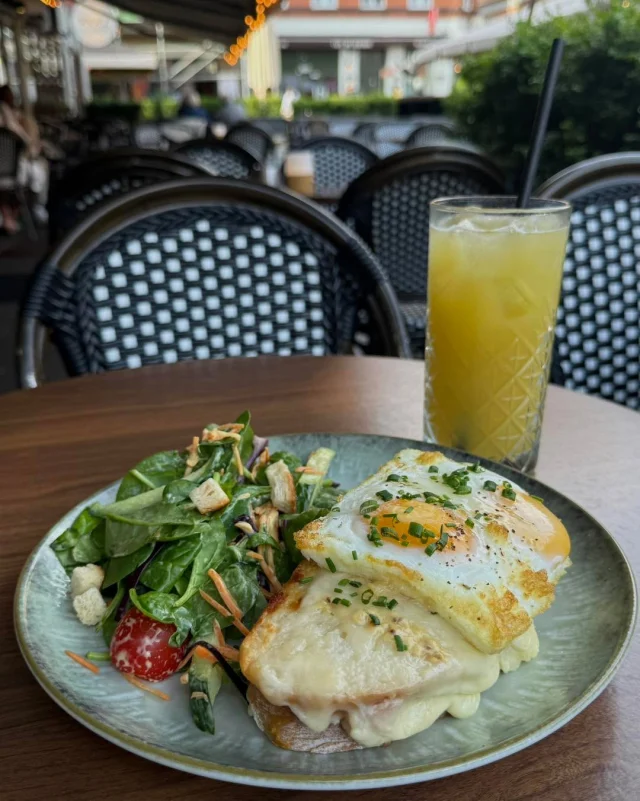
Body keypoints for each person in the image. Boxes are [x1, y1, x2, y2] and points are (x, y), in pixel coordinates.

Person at [0, 85, 48, 232]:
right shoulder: (20, 124)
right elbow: (31, 149)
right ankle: (22, 214)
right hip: (15, 175)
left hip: (10, 177)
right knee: (36, 172)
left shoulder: (22, 121)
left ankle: (9, 218)